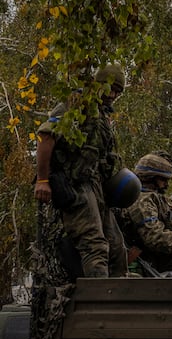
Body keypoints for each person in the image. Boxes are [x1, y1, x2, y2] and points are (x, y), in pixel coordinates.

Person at [32, 64, 129, 277]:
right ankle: (99, 305)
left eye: (118, 92)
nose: (113, 95)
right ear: (98, 84)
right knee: (94, 244)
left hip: (95, 186)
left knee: (116, 247)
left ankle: (121, 301)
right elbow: (45, 137)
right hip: (74, 184)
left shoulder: (103, 115)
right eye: (110, 88)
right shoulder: (76, 103)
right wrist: (42, 180)